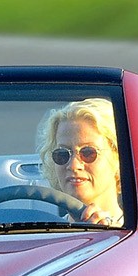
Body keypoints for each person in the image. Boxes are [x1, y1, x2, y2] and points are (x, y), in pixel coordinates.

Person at [39, 97, 125, 226]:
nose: (74, 165)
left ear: (118, 158)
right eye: (62, 154)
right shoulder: (44, 234)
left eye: (88, 153)